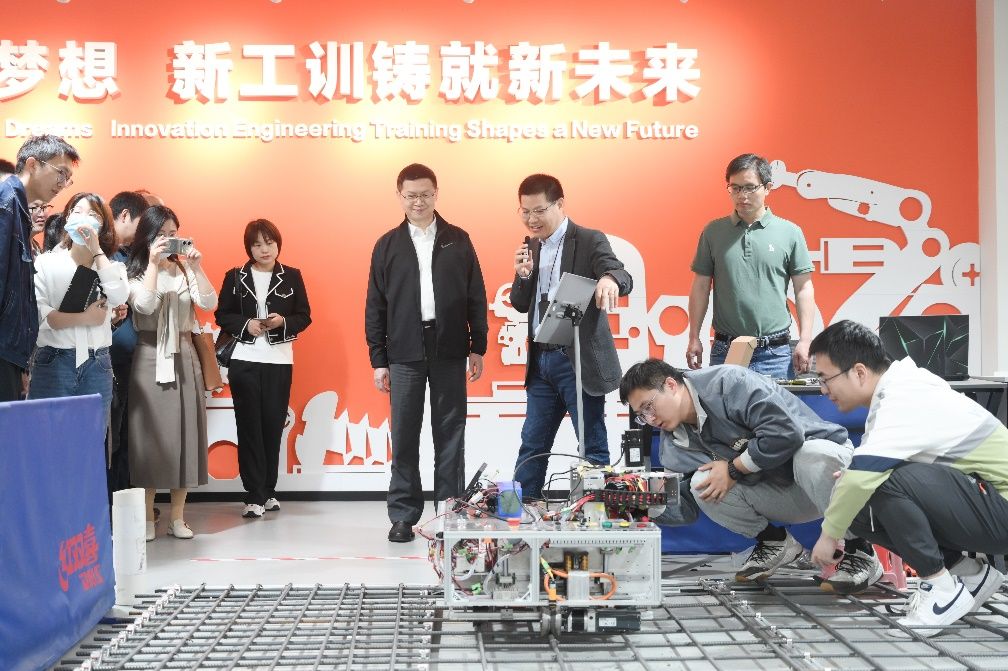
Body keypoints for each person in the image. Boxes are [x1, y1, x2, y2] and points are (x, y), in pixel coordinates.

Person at [808, 320, 1008, 637]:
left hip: (1001, 504)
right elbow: (858, 476)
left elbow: (864, 477)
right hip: (987, 502)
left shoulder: (902, 396)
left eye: (825, 378)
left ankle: (941, 589)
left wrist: (828, 535)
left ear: (858, 372)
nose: (822, 390)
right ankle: (967, 574)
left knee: (879, 482)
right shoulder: (895, 390)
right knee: (858, 504)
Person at [619, 357, 884, 593]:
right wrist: (642, 504)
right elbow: (688, 507)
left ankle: (861, 551)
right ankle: (775, 543)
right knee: (702, 483)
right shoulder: (674, 446)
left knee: (810, 455)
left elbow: (787, 434)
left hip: (830, 475)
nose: (650, 419)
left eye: (649, 406)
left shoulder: (729, 383)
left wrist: (734, 468)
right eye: (642, 415)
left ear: (671, 385)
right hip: (783, 489)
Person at [365, 163, 488, 543]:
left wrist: (478, 347)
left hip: (449, 347)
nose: (418, 201)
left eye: (425, 194)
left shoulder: (458, 239)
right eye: (411, 195)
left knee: (450, 433)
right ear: (399, 196)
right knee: (404, 435)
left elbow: (476, 296)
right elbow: (375, 306)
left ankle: (450, 513)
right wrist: (378, 359)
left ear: (436, 194)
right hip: (403, 351)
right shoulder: (387, 245)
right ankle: (403, 515)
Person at [509, 174, 632, 500]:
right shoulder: (530, 246)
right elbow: (520, 303)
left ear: (560, 204)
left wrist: (609, 280)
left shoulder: (589, 239)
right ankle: (523, 513)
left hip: (576, 359)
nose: (531, 220)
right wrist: (523, 276)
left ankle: (595, 513)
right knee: (532, 443)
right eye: (525, 212)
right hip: (541, 360)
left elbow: (621, 273)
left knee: (591, 445)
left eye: (539, 211)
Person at [124, 205, 217, 541]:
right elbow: (145, 305)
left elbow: (208, 303)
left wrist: (196, 267)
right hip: (150, 354)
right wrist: (152, 264)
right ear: (147, 237)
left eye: (173, 234)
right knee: (148, 436)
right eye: (161, 234)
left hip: (185, 354)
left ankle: (178, 517)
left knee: (186, 433)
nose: (168, 240)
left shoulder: (184, 270)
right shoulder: (134, 272)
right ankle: (148, 517)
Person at [686, 153, 817, 379]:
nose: (742, 195)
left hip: (775, 354)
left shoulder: (790, 232)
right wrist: (694, 336)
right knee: (723, 405)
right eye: (735, 188)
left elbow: (803, 288)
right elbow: (700, 286)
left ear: (767, 188)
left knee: (775, 405)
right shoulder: (713, 232)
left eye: (749, 187)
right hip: (726, 350)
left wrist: (805, 340)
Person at [215, 219, 311, 519]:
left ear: (278, 244)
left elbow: (304, 316)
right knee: (249, 428)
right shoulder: (235, 276)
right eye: (257, 244)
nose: (264, 249)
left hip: (279, 361)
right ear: (249, 248)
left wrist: (283, 322)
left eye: (269, 243)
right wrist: (247, 325)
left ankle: (269, 490)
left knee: (272, 426)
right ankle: (253, 495)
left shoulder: (292, 276)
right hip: (244, 360)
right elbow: (222, 314)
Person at [27, 193, 127, 426]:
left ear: (103, 225)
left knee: (90, 439)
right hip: (54, 360)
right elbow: (42, 316)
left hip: (97, 363)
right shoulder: (46, 263)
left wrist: (96, 250)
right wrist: (85, 318)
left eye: (93, 214)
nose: (84, 218)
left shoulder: (112, 267)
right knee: (46, 436)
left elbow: (119, 295)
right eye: (77, 211)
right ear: (67, 217)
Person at [0, 134, 80, 402]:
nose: (63, 183)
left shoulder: (17, 207)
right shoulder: (6, 203)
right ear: (33, 164)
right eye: (61, 172)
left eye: (68, 178)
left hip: (10, 350)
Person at [106, 191, 150, 496]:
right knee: (110, 436)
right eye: (142, 223)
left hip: (133, 361)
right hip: (105, 360)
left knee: (127, 436)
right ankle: (109, 504)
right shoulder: (98, 253)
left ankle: (124, 504)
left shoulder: (134, 256)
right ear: (124, 216)